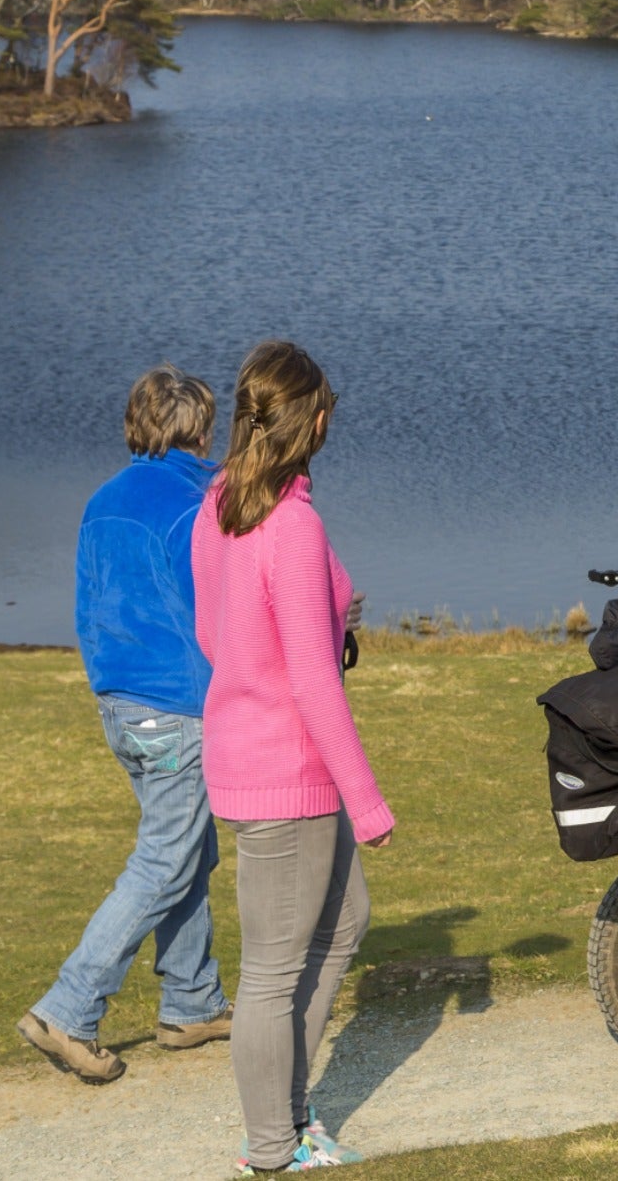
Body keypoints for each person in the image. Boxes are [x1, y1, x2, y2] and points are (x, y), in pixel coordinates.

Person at [193, 342, 392, 1174]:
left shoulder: (224, 502)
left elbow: (213, 632)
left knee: (344, 922)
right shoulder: (291, 522)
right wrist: (368, 800)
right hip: (287, 773)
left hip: (250, 753)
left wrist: (334, 604)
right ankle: (273, 1149)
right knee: (273, 973)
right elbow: (313, 682)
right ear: (314, 420)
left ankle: (289, 1109)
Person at [17, 367, 234, 1086]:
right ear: (199, 429)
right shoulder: (194, 505)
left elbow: (89, 603)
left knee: (188, 851)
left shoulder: (102, 500)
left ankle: (191, 1002)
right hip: (175, 708)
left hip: (117, 702)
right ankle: (68, 1008)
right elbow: (217, 609)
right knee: (165, 860)